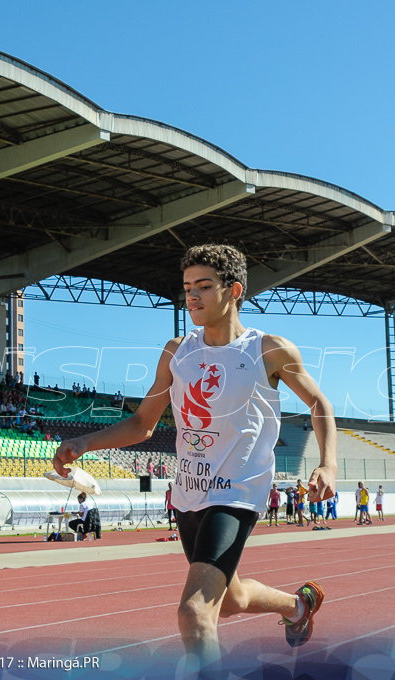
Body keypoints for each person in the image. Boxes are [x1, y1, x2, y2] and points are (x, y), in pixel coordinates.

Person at [53, 244, 337, 674]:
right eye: (187, 288)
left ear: (234, 290)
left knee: (194, 612)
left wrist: (327, 463)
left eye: (204, 286)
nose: (192, 296)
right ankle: (298, 606)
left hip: (238, 490)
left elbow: (319, 404)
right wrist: (85, 442)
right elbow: (143, 424)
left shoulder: (268, 350)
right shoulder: (176, 353)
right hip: (189, 493)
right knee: (230, 601)